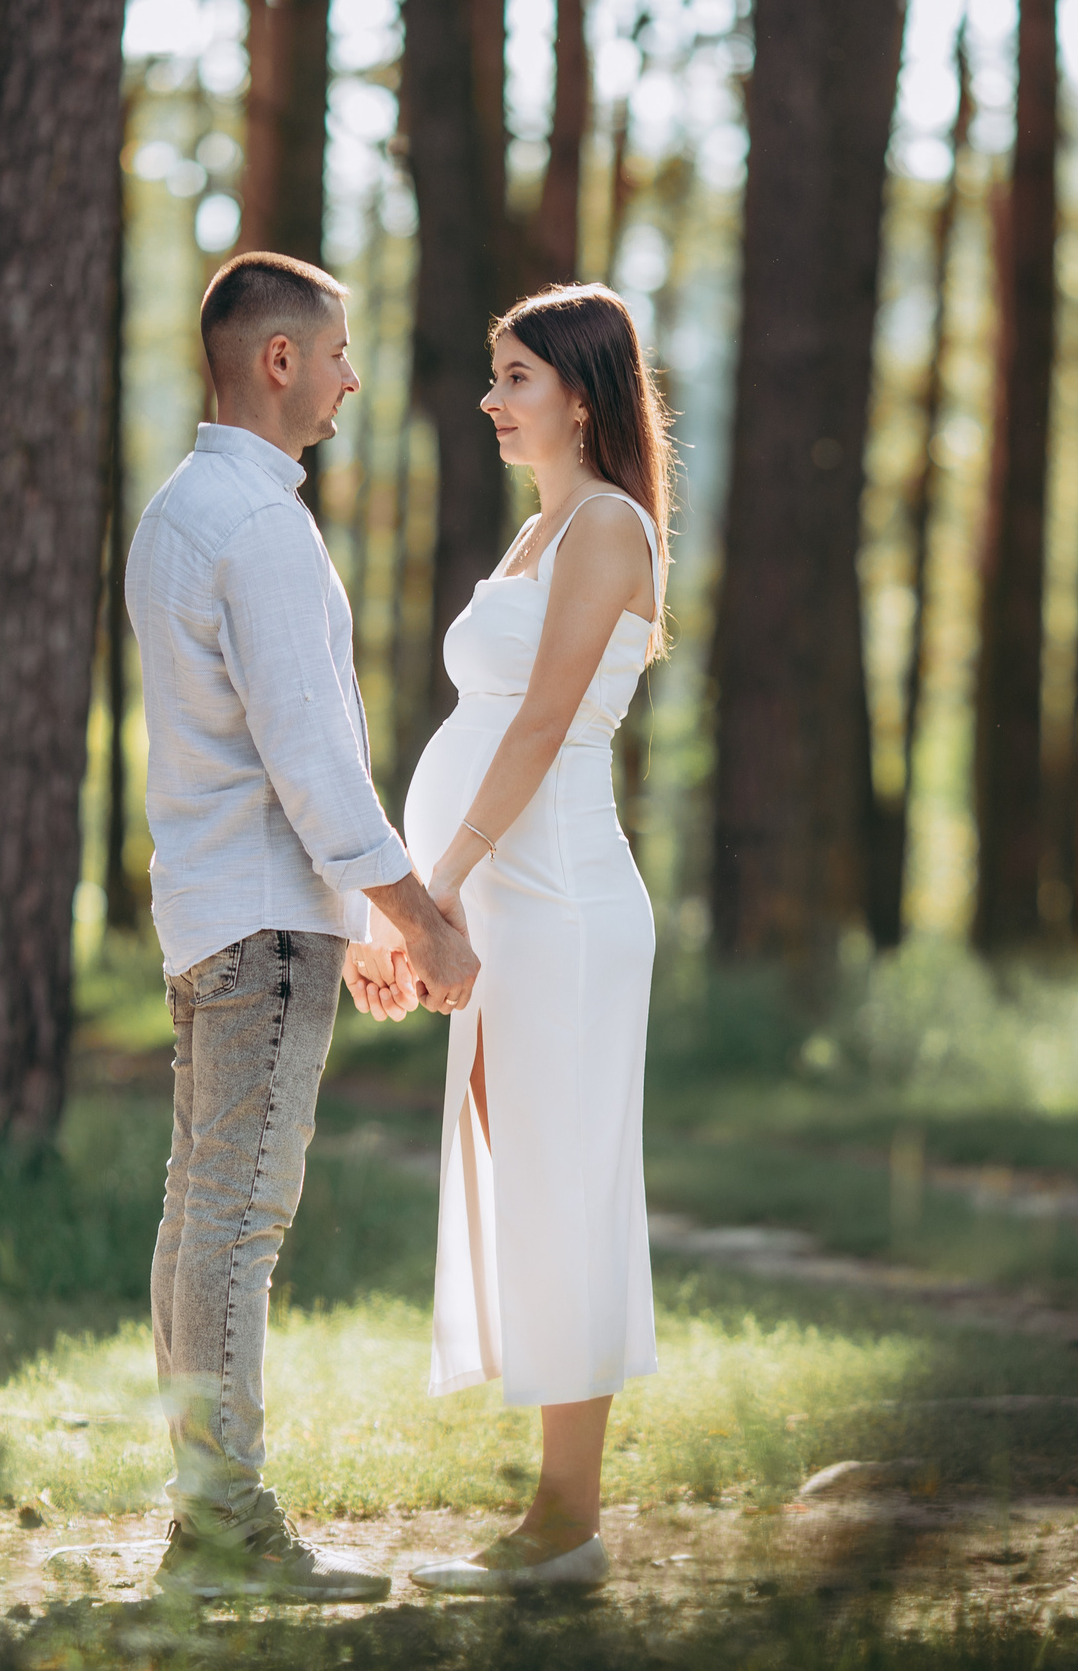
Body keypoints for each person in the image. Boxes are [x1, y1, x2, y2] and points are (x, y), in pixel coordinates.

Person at [125, 250, 478, 1603]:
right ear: (278, 360)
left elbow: (269, 761)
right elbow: (311, 764)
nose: (349, 377)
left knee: (201, 1219)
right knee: (237, 1226)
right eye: (336, 351)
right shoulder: (259, 527)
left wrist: (360, 923)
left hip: (225, 913)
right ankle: (224, 1533)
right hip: (264, 929)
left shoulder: (183, 509)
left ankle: (204, 1520)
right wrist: (417, 918)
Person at [379, 283, 673, 1594]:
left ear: (581, 390)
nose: (492, 401)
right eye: (494, 377)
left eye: (514, 379)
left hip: (558, 900)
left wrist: (432, 888)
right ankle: (557, 1518)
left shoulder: (606, 527)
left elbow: (542, 728)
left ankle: (567, 1528)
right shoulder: (536, 531)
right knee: (526, 1181)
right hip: (510, 899)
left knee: (566, 1187)